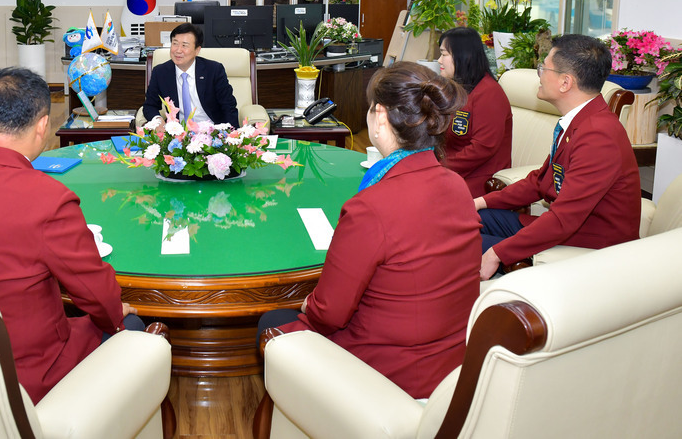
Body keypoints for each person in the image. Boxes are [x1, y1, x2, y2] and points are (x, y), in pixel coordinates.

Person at [0, 66, 142, 403]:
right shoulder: (48, 198)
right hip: (29, 372)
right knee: (132, 325)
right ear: (43, 125)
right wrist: (117, 312)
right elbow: (98, 298)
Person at [258, 62, 481, 399]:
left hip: (386, 370)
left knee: (270, 320)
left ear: (379, 116)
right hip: (451, 364)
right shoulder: (455, 185)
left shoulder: (370, 207)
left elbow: (328, 313)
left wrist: (305, 303)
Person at [476, 34, 641, 280]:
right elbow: (540, 182)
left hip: (591, 246)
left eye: (544, 67)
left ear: (565, 82)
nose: (539, 74)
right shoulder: (580, 121)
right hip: (571, 230)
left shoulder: (598, 136)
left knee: (461, 244)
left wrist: (496, 253)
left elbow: (564, 219)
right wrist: (480, 202)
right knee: (470, 219)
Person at [436, 27, 513, 197]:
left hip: (477, 179)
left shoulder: (489, 93)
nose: (439, 60)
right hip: (449, 170)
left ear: (463, 56)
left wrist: (439, 168)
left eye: (444, 54)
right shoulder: (457, 88)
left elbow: (482, 148)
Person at [142, 22, 239, 127]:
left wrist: (232, 134)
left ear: (197, 50)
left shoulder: (214, 70)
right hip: (177, 133)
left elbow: (228, 106)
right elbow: (149, 106)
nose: (178, 50)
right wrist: (158, 120)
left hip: (211, 131)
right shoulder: (161, 72)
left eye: (184, 45)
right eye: (175, 43)